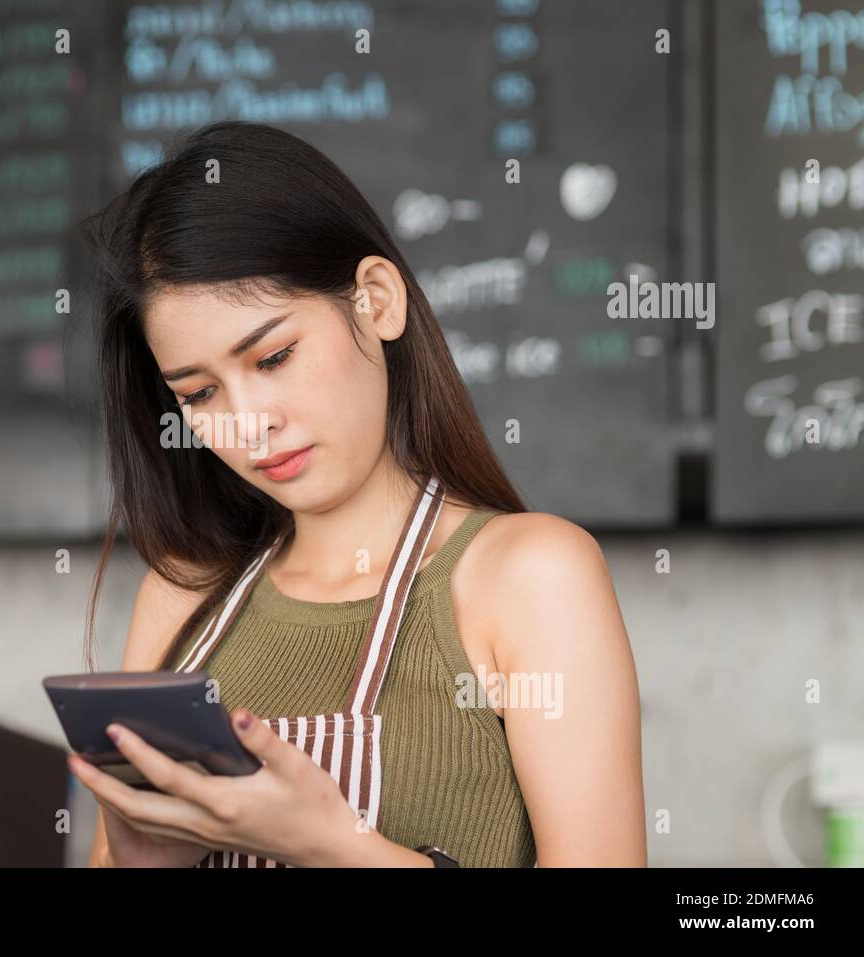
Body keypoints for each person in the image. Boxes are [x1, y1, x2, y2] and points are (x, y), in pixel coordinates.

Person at [71, 121, 646, 868]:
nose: (251, 424)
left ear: (377, 300)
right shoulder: (182, 597)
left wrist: (331, 845)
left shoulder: (530, 575)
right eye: (201, 391)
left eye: (274, 356)